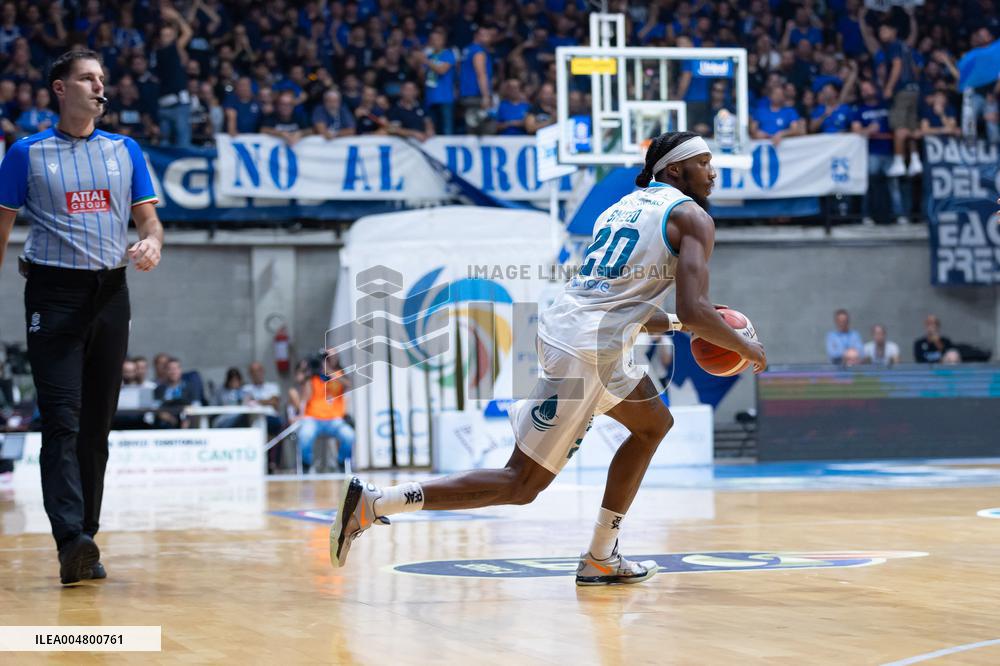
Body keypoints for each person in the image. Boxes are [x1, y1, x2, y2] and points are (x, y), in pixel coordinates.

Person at [331, 131, 767, 585]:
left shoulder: (620, 209)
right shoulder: (693, 216)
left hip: (581, 334)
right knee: (522, 485)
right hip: (588, 351)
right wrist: (745, 347)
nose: (713, 171)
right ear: (675, 170)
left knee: (654, 424)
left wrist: (684, 325)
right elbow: (696, 309)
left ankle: (602, 554)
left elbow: (628, 307)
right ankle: (376, 502)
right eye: (704, 161)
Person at [0, 50, 163, 585]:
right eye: (87, 78)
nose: (99, 87)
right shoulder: (25, 154)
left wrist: (151, 245)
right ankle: (69, 537)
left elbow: (151, 224)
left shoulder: (126, 150)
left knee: (96, 428)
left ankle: (84, 540)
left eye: (101, 79)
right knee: (62, 422)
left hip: (111, 294)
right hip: (54, 294)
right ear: (60, 89)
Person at [294, 352, 355, 473]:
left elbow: (349, 384)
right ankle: (306, 464)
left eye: (324, 361)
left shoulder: (337, 375)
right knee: (305, 435)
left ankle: (341, 461)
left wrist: (329, 372)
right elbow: (304, 399)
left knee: (349, 436)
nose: (321, 365)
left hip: (335, 420)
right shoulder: (312, 378)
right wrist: (308, 375)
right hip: (312, 419)